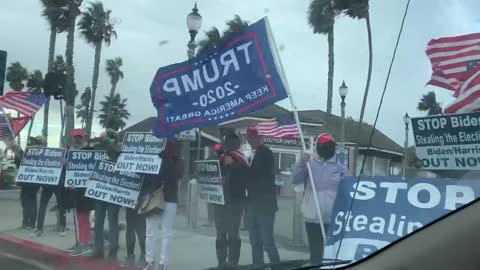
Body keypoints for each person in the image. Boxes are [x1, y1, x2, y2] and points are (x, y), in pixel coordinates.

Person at [293, 133, 345, 264]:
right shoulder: (310, 165)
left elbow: (346, 193)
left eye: (328, 146)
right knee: (315, 254)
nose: (325, 148)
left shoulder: (341, 169)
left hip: (333, 219)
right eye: (322, 146)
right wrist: (302, 162)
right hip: (312, 217)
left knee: (332, 254)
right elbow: (296, 179)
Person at [143, 138, 182, 270]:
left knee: (163, 232)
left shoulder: (176, 161)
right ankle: (152, 261)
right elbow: (146, 176)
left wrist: (164, 158)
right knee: (152, 232)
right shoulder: (153, 158)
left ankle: (161, 263)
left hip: (167, 198)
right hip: (158, 197)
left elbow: (175, 175)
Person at [245, 127, 280, 266]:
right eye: (251, 137)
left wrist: (245, 166)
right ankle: (257, 266)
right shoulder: (250, 155)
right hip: (251, 203)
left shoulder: (266, 154)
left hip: (265, 204)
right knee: (255, 242)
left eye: (257, 137)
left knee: (267, 242)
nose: (254, 140)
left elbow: (259, 174)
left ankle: (276, 267)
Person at [215, 134, 248, 269]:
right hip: (220, 202)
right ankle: (222, 263)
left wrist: (233, 166)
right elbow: (209, 175)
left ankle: (233, 264)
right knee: (221, 234)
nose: (227, 146)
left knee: (233, 234)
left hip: (235, 202)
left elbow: (245, 180)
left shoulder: (242, 161)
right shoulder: (220, 160)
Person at [90, 129, 121, 262]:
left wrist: (108, 140)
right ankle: (98, 249)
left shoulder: (118, 148)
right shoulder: (97, 149)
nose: (103, 139)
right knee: (98, 222)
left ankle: (113, 250)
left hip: (113, 191)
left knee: (113, 221)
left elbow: (115, 152)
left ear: (112, 138)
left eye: (107, 137)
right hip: (99, 190)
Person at [67, 129, 96, 257]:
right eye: (75, 137)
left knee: (84, 217)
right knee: (80, 218)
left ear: (83, 138)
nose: (77, 139)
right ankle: (81, 242)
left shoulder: (90, 151)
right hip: (74, 191)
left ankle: (85, 243)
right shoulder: (69, 152)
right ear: (71, 138)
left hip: (86, 190)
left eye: (79, 137)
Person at [33, 135, 67, 237]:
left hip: (57, 184)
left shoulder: (55, 153)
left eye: (39, 142)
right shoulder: (35, 153)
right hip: (46, 185)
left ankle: (62, 227)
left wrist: (64, 163)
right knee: (42, 207)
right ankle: (39, 229)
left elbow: (65, 165)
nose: (37, 144)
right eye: (36, 142)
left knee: (61, 206)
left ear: (44, 144)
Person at [11, 143, 38, 230]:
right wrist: (17, 152)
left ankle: (32, 224)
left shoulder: (36, 156)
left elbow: (23, 159)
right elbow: (19, 164)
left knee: (31, 204)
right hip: (24, 183)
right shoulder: (23, 155)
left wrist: (19, 151)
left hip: (32, 183)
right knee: (24, 203)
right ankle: (25, 223)